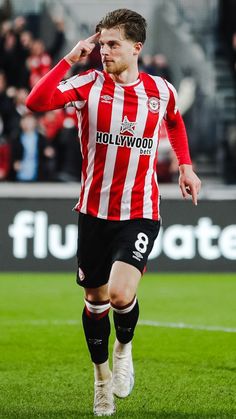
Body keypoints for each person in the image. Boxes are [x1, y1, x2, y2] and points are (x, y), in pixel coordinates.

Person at [26, 8, 201, 416]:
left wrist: (186, 165)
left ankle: (124, 348)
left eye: (112, 44)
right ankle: (101, 378)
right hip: (94, 211)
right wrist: (70, 57)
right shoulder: (88, 84)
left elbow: (174, 122)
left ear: (136, 48)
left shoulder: (161, 91)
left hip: (140, 209)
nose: (103, 51)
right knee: (95, 298)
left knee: (122, 293)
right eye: (101, 43)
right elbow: (37, 102)